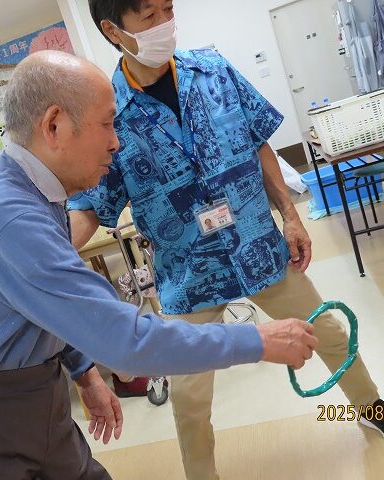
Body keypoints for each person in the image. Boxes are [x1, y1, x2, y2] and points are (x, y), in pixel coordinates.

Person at [0, 51, 317, 480]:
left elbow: (49, 303)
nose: (116, 142)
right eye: (106, 124)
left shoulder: (37, 189)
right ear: (54, 126)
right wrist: (257, 340)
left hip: (33, 386)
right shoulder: (9, 217)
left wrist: (84, 374)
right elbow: (125, 340)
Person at [67, 1, 384, 478]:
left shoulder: (212, 70)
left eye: (168, 9)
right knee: (190, 397)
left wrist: (290, 216)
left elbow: (258, 141)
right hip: (189, 274)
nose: (165, 24)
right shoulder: (110, 115)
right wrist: (42, 255)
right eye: (149, 17)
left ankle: (372, 410)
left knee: (331, 335)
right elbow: (91, 205)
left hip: (257, 247)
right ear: (114, 31)